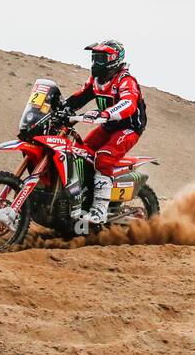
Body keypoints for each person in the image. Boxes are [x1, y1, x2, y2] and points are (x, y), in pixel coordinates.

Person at [62, 39, 147, 227]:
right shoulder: (96, 81)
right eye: (95, 57)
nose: (95, 62)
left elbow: (128, 103)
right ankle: (84, 195)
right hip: (108, 126)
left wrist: (106, 113)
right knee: (78, 151)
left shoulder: (125, 81)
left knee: (103, 158)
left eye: (101, 58)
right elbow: (81, 96)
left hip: (128, 128)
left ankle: (99, 209)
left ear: (114, 59)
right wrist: (61, 108)